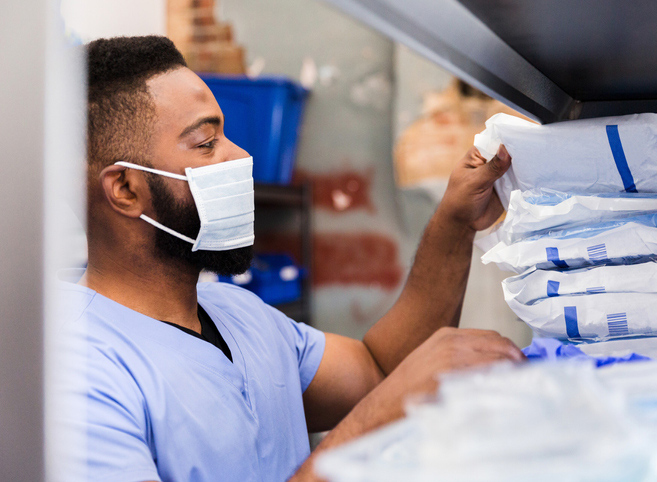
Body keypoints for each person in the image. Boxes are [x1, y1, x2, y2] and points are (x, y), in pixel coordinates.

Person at [55, 35, 524, 482]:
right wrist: (369, 427)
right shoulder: (76, 376)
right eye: (205, 143)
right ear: (125, 189)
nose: (239, 156)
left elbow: (381, 371)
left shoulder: (238, 315)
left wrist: (455, 222)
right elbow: (385, 396)